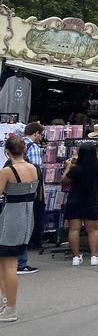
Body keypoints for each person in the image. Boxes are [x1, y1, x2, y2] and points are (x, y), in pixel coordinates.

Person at [0, 136, 40, 322]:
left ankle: (10, 307)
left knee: (9, 264)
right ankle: (5, 301)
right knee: (6, 262)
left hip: (10, 219)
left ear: (7, 151)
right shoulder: (34, 169)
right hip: (27, 217)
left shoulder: (7, 171)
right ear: (24, 149)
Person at [61, 141, 98, 266]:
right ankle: (94, 256)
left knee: (74, 229)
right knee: (93, 230)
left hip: (74, 200)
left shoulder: (76, 170)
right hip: (91, 200)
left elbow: (64, 181)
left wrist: (68, 166)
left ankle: (76, 257)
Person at [16, 122, 44, 274]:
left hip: (14, 192)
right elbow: (35, 171)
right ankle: (21, 262)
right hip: (27, 192)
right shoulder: (33, 148)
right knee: (25, 225)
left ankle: (14, 260)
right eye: (40, 134)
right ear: (36, 134)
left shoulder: (17, 144)